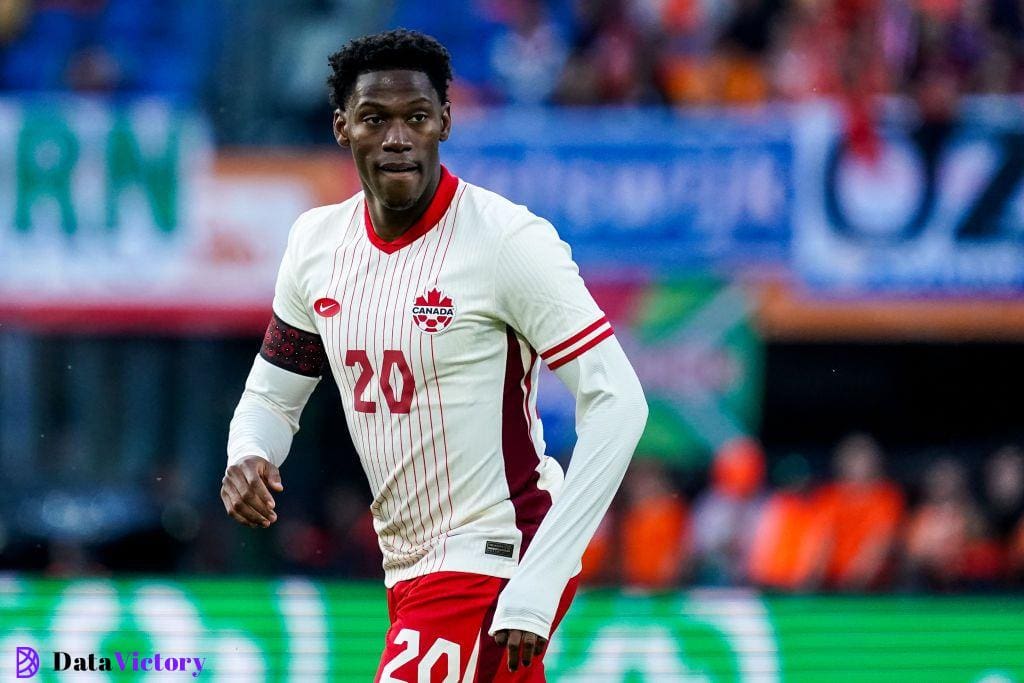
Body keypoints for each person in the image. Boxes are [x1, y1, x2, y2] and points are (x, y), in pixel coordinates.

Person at [219, 29, 647, 681]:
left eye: (416, 117)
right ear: (342, 127)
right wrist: (250, 451)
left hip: (495, 559)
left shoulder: (507, 241)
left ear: (445, 121)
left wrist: (541, 577)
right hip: (411, 570)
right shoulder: (315, 244)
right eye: (373, 119)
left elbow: (618, 403)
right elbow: (274, 395)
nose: (397, 138)